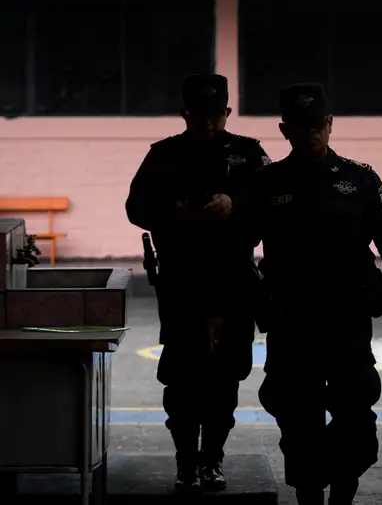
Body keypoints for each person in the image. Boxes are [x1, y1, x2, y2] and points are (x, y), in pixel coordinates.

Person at [246, 83, 382, 505]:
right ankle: (310, 495)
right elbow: (237, 249)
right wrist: (253, 303)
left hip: (347, 319)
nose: (310, 132)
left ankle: (343, 492)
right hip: (291, 322)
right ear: (284, 130)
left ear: (329, 125)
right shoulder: (266, 183)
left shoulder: (359, 180)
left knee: (354, 413)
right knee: (296, 415)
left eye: (317, 124)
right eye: (299, 125)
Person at [125, 74, 271, 492]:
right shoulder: (164, 155)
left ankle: (213, 459)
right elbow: (136, 207)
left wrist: (235, 205)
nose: (209, 125)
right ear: (185, 115)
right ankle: (186, 461)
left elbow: (274, 205)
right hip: (183, 280)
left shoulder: (248, 153)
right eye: (199, 118)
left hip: (233, 279)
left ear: (227, 113)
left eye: (216, 117)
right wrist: (173, 212)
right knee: (183, 377)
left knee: (227, 377)